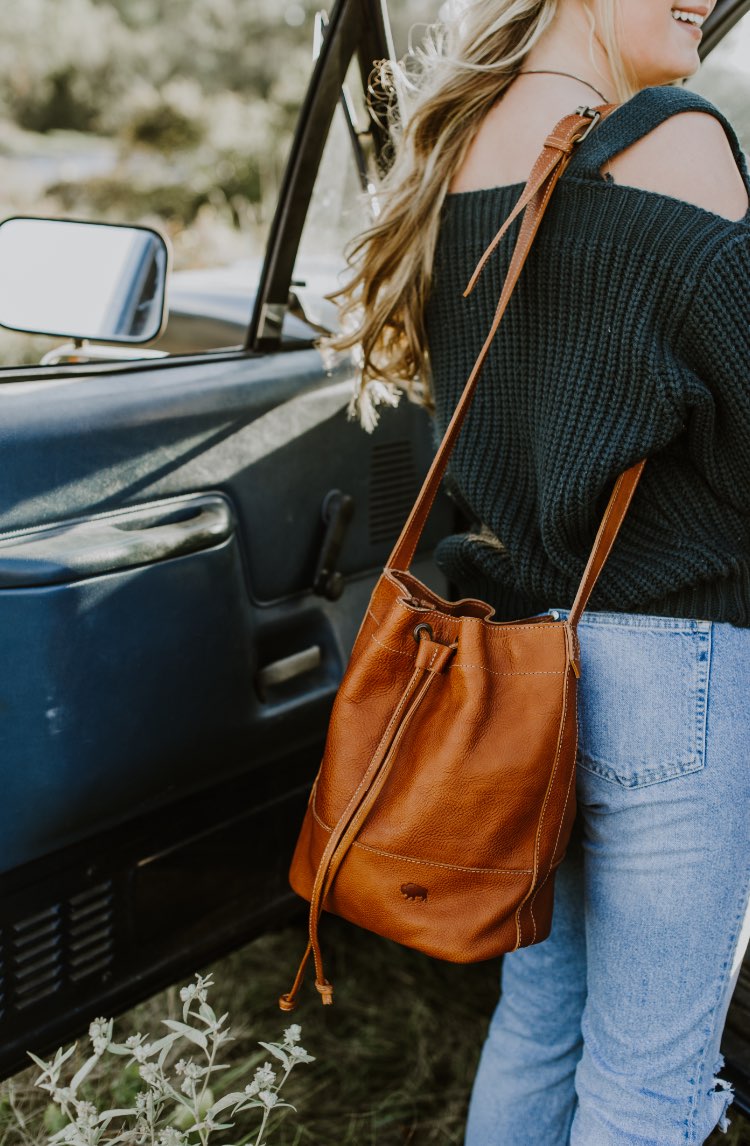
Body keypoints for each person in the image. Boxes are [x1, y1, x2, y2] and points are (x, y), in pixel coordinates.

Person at [329, 0, 750, 1142]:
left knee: (541, 1021)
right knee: (648, 1081)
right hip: (673, 668)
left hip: (517, 667)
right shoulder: (673, 139)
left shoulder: (458, 149)